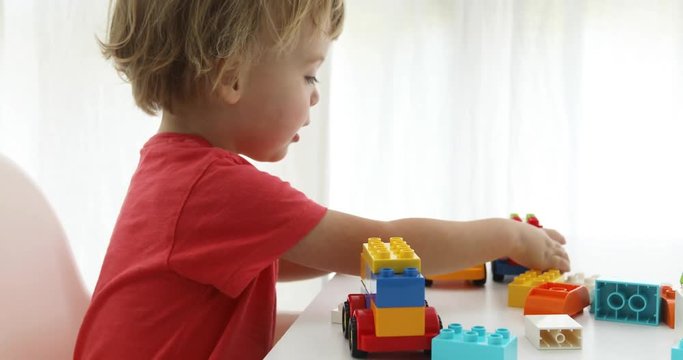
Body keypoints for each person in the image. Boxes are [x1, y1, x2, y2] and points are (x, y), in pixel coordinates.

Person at [74, 0, 570, 359]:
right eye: (310, 75)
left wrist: (334, 249)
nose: (315, 97)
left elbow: (279, 258)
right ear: (232, 78)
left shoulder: (172, 167)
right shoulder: (217, 187)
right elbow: (386, 248)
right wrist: (506, 236)